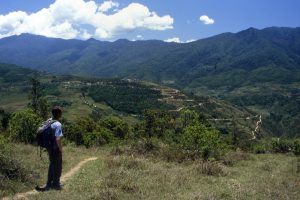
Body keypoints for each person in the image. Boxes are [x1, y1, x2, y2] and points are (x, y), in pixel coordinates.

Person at [36, 106, 63, 191]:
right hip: (55, 148)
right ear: (58, 114)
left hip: (48, 148)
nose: (61, 114)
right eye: (61, 113)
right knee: (58, 166)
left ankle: (49, 183)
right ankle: (55, 184)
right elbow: (58, 138)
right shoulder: (58, 124)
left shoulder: (48, 121)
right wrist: (61, 149)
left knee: (52, 164)